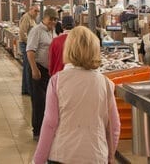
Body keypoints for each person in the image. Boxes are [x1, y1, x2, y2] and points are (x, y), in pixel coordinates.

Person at [33, 26, 121, 164]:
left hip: (62, 154)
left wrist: (38, 160)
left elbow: (50, 123)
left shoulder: (57, 81)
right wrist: (110, 157)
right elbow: (114, 127)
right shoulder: (106, 84)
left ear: (69, 49)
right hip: (96, 155)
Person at [26, 7, 57, 140]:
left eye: (55, 19)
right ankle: (37, 131)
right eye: (51, 19)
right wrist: (34, 69)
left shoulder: (52, 31)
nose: (53, 22)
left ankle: (46, 129)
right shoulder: (36, 31)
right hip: (38, 68)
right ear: (44, 18)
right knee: (38, 101)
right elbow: (30, 51)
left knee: (47, 101)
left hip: (48, 71)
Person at [18, 4, 40, 96]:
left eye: (38, 11)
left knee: (27, 67)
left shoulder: (32, 19)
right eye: (35, 11)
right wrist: (30, 44)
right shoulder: (26, 18)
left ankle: (25, 89)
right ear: (30, 9)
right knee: (28, 67)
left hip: (28, 45)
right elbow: (23, 33)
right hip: (26, 45)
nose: (37, 13)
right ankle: (29, 90)